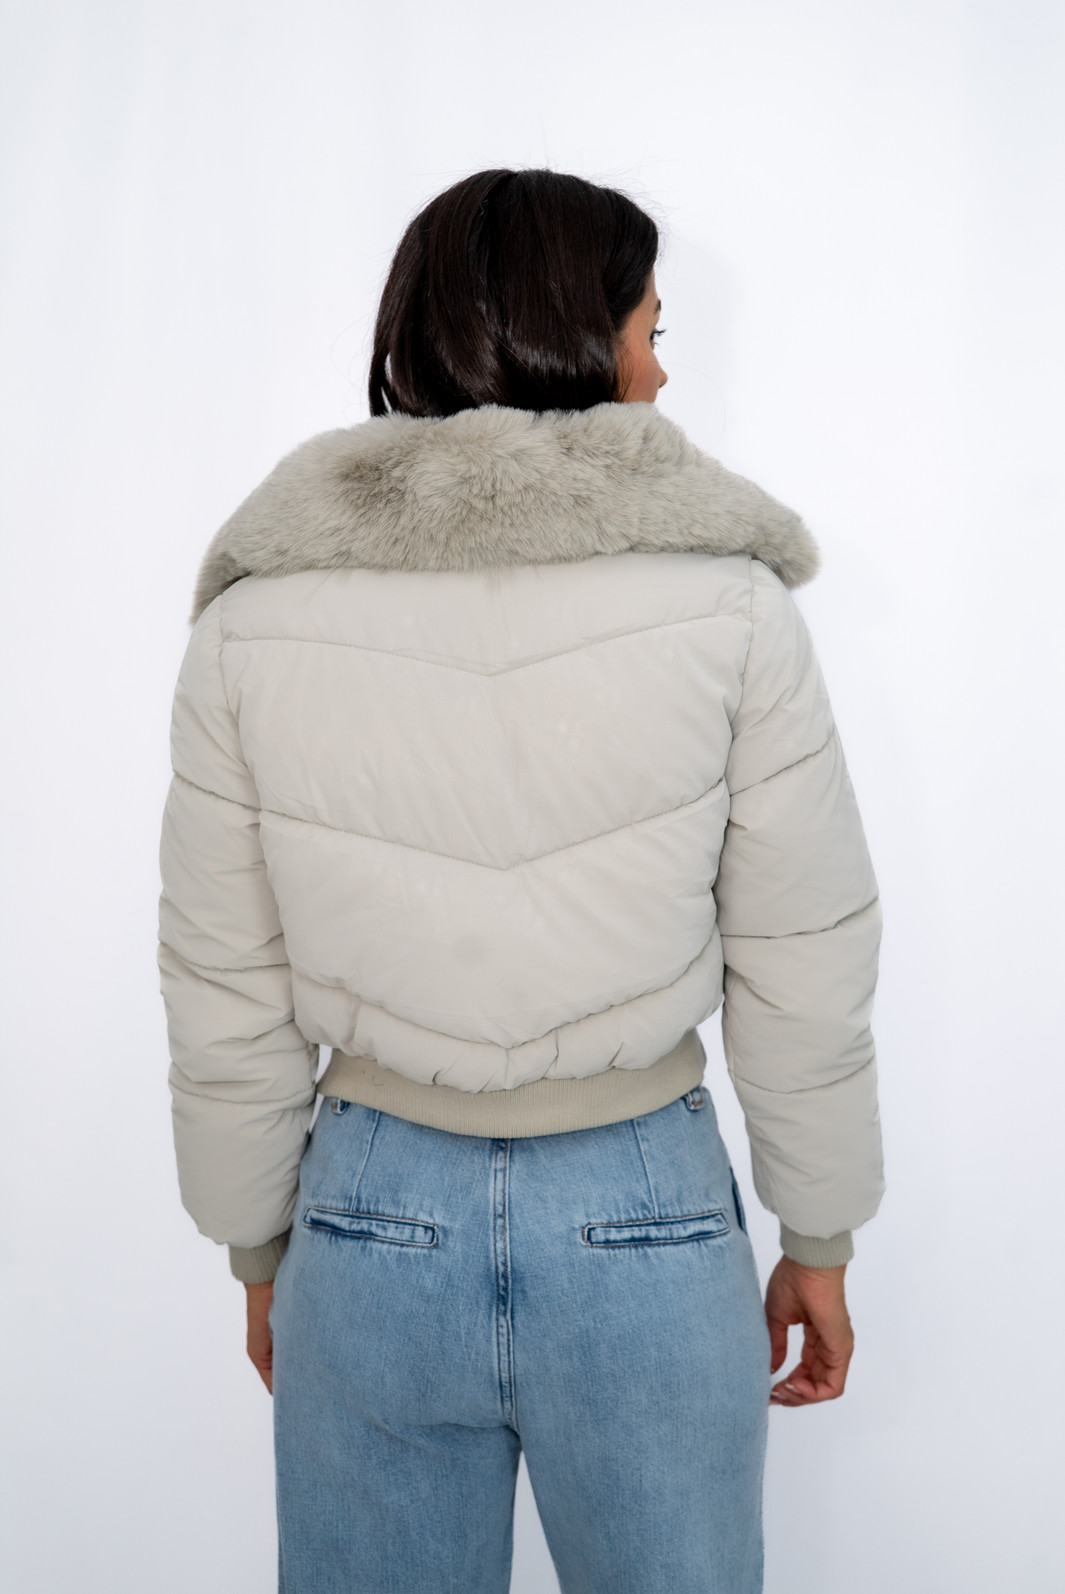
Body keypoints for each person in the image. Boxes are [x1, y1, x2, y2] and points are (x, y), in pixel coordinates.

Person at [158, 167, 884, 1594]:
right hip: (644, 1201)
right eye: (654, 332)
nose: (661, 371)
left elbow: (222, 978)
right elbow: (802, 951)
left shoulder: (259, 618)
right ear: (581, 335)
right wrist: (819, 1227)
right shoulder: (731, 606)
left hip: (367, 1215)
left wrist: (259, 1244)